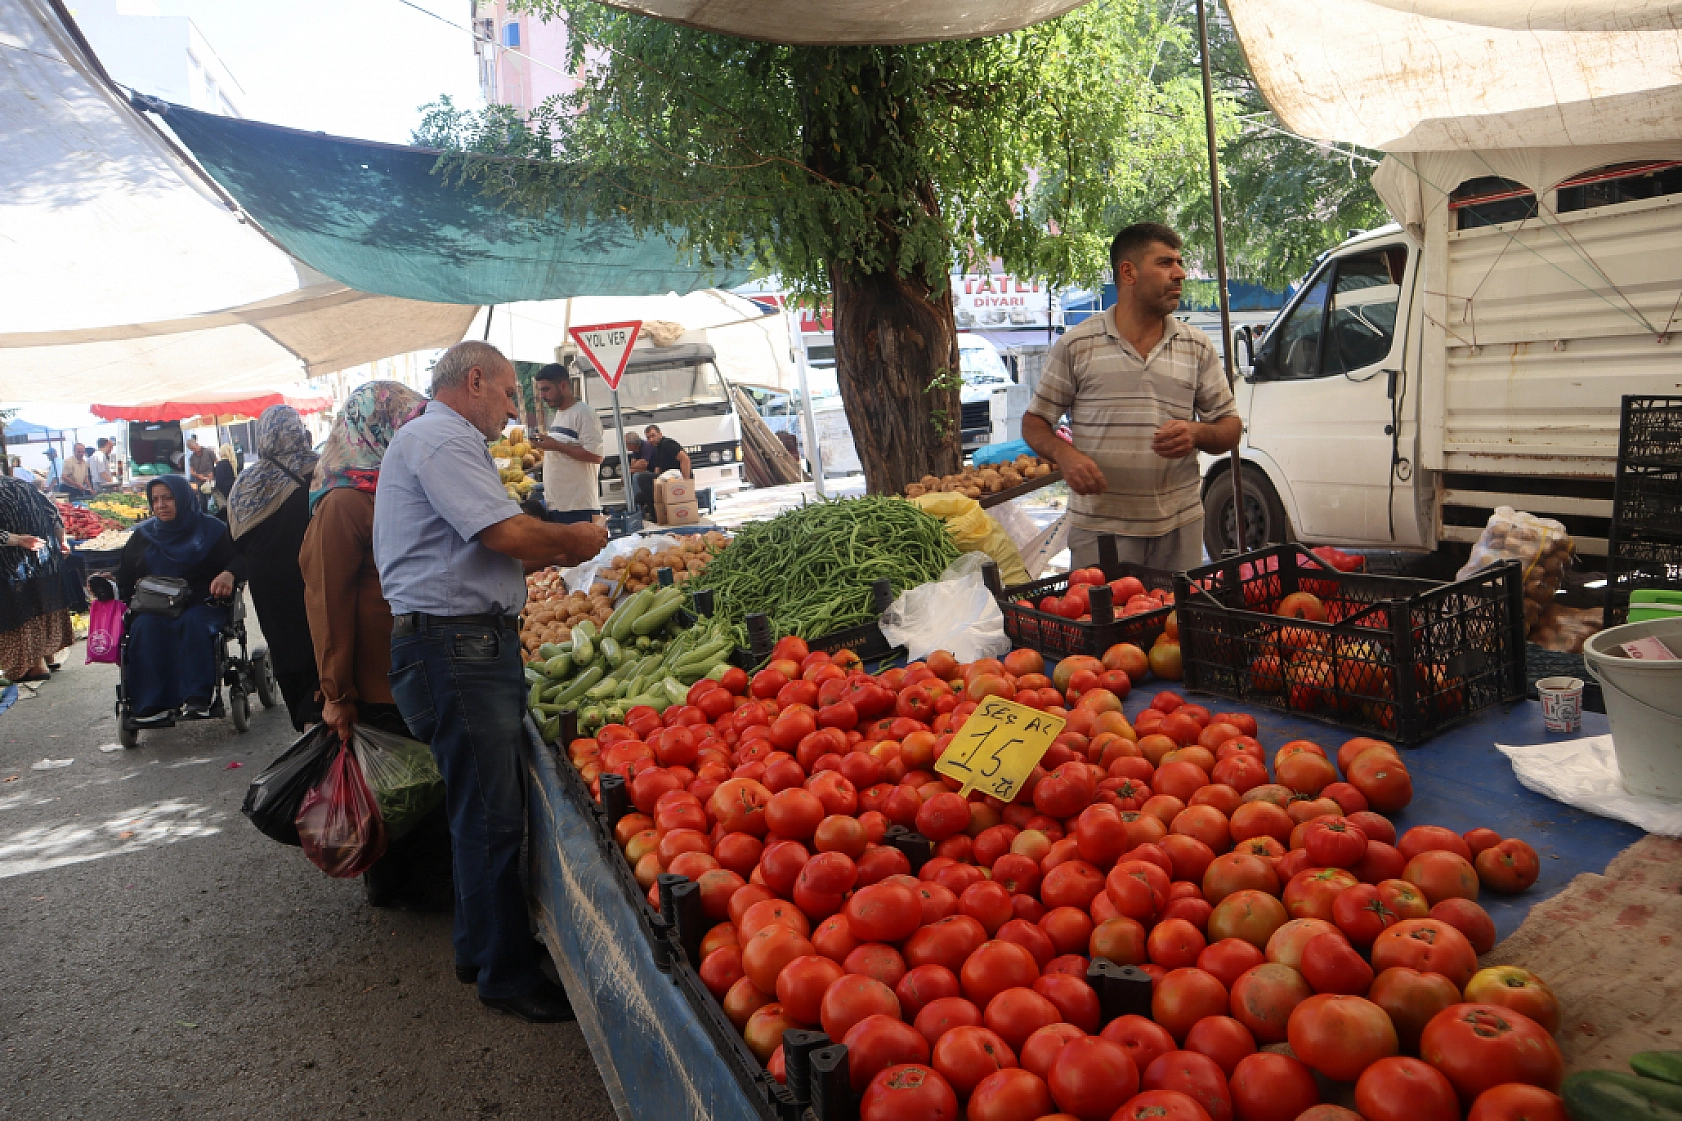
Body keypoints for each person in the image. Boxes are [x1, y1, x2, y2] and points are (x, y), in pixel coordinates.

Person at [374, 340, 607, 1023]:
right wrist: (576, 541)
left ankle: (478, 947)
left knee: (476, 807)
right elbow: (502, 534)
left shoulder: (432, 439)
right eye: (508, 394)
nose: (513, 411)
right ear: (474, 380)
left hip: (453, 646)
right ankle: (505, 975)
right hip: (458, 650)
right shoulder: (442, 439)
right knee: (491, 816)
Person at [300, 380, 452, 909]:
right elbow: (327, 607)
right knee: (391, 790)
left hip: (415, 670)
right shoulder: (342, 504)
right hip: (371, 680)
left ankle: (430, 883)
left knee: (422, 786)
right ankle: (395, 885)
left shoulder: (397, 488)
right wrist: (336, 693)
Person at [1022, 222, 1243, 572]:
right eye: (1165, 263)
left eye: (1179, 262)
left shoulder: (1197, 346)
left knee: (1174, 624)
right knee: (1107, 625)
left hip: (1180, 524)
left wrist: (1197, 433)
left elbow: (1230, 428)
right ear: (1129, 272)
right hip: (1099, 529)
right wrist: (1065, 456)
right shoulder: (1077, 345)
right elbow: (1035, 422)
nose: (1180, 274)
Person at [116, 476, 243, 722]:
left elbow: (239, 558)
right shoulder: (143, 536)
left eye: (168, 498)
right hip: (157, 605)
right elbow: (125, 575)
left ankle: (196, 698)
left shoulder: (212, 530)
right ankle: (152, 703)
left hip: (201, 601)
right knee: (144, 627)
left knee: (194, 624)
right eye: (155, 500)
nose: (161, 505)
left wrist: (229, 573)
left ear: (183, 499)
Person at [226, 407, 321, 730]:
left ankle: (306, 727)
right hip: (314, 576)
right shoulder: (318, 471)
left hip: (267, 584)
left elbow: (236, 539)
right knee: (320, 653)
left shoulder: (246, 483)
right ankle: (321, 728)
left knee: (286, 650)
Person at [0, 475, 75, 682]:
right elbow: (54, 513)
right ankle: (49, 655)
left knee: (21, 610)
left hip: (13, 563)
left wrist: (17, 540)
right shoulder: (22, 485)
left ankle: (34, 666)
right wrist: (61, 541)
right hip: (45, 556)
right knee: (43, 603)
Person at [530, 364, 604, 524]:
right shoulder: (560, 414)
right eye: (540, 390)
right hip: (558, 506)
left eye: (546, 389)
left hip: (578, 508)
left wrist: (555, 445)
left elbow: (596, 456)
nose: (542, 396)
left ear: (563, 386)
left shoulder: (585, 413)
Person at [631, 424, 690, 515]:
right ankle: (652, 509)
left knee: (641, 477)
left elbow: (685, 459)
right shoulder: (657, 448)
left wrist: (686, 482)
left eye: (653, 436)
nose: (651, 439)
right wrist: (656, 485)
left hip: (677, 477)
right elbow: (657, 469)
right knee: (639, 496)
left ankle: (655, 513)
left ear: (660, 434)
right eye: (648, 438)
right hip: (666, 478)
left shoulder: (667, 444)